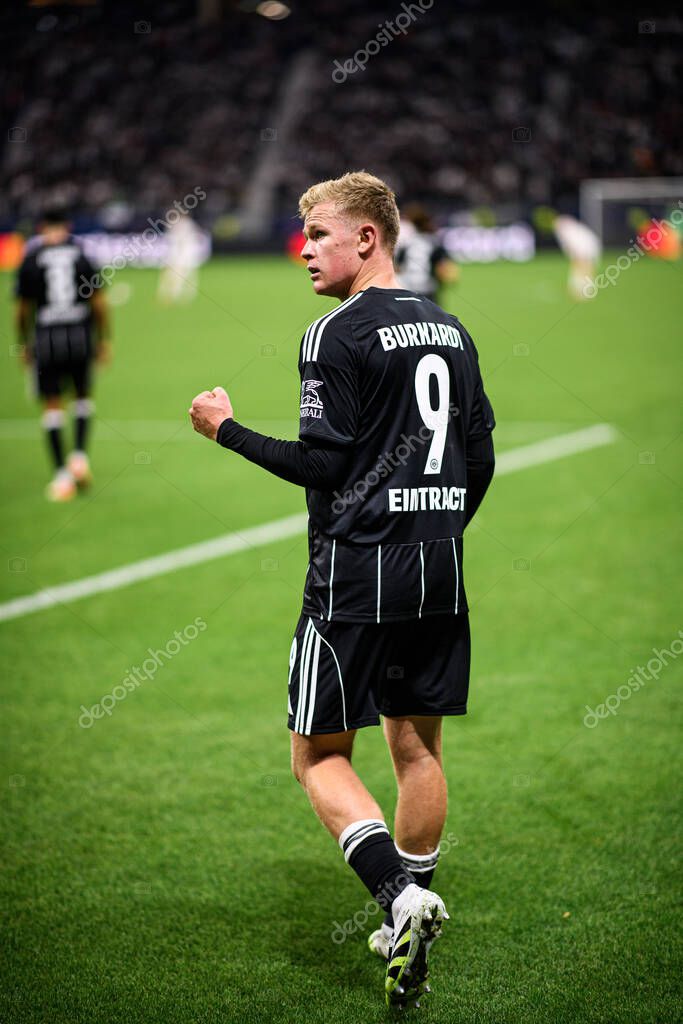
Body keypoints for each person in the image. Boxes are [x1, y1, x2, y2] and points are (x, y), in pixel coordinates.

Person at [189, 171, 495, 1009]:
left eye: (318, 234)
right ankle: (414, 907)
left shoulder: (334, 333)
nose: (303, 251)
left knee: (319, 754)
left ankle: (400, 899)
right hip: (438, 569)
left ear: (367, 238)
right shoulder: (451, 328)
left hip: (355, 575)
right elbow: (481, 457)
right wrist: (432, 526)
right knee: (418, 745)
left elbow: (322, 465)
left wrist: (228, 431)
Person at [15, 209, 110, 501]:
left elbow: (22, 309)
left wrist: (23, 343)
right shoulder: (81, 255)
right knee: (82, 398)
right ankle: (79, 457)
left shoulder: (31, 259)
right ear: (67, 226)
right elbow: (99, 303)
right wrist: (104, 339)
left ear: (42, 227)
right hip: (80, 337)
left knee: (52, 405)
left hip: (46, 339)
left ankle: (60, 476)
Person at [394, 203, 459, 304]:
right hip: (429, 292)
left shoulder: (407, 243)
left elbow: (397, 268)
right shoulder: (434, 243)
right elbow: (445, 269)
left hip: (408, 292)